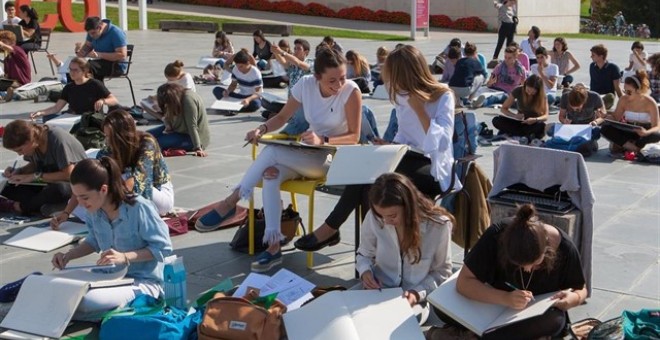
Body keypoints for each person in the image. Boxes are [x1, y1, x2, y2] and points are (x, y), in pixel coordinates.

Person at [196, 47, 362, 272]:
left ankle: (232, 201)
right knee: (270, 175)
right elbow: (283, 116)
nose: (339, 84)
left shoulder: (351, 91)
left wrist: (323, 139)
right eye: (332, 80)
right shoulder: (305, 85)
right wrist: (261, 128)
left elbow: (354, 136)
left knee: (272, 153)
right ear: (317, 77)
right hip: (306, 155)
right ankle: (273, 247)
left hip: (332, 158)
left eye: (342, 77)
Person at [295, 45, 457, 253]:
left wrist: (420, 110)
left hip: (432, 165)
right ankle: (369, 249)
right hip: (406, 157)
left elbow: (440, 144)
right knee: (367, 181)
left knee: (371, 175)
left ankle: (335, 230)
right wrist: (389, 145)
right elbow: (405, 135)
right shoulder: (402, 94)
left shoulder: (443, 96)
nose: (391, 83)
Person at [51, 157, 172, 321]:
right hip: (108, 276)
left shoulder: (139, 207)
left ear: (103, 189)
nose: (80, 203)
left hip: (143, 281)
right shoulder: (94, 210)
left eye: (84, 197)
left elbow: (163, 248)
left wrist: (124, 257)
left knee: (86, 300)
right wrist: (68, 256)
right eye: (77, 197)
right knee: (56, 285)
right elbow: (93, 241)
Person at [455, 204, 587, 339]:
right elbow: (464, 282)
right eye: (519, 265)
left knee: (554, 320)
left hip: (532, 315)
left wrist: (573, 299)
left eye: (535, 264)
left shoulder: (565, 248)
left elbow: (581, 290)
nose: (527, 270)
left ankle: (473, 336)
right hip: (492, 305)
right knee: (444, 309)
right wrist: (504, 298)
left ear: (546, 248)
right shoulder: (496, 235)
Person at [356, 173, 453, 325]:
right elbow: (364, 254)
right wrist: (365, 272)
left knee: (395, 326)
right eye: (382, 216)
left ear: (408, 206)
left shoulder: (438, 225)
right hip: (378, 290)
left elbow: (442, 271)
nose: (387, 221)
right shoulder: (375, 216)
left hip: (414, 299)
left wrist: (416, 293)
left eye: (392, 216)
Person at [52, 110, 175, 227]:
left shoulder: (147, 143)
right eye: (106, 136)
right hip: (121, 188)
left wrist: (101, 199)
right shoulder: (108, 149)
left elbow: (139, 181)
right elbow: (92, 179)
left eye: (110, 136)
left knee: (117, 185)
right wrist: (66, 213)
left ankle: (115, 216)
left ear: (123, 135)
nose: (107, 141)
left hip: (154, 191)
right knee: (85, 197)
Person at [0, 121, 87, 216]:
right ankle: (43, 205)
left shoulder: (57, 138)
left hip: (75, 185)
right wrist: (18, 172)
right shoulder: (35, 143)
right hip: (47, 182)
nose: (20, 154)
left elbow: (68, 174)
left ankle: (19, 207)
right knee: (8, 186)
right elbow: (35, 164)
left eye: (20, 150)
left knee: (59, 189)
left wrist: (36, 176)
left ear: (30, 140)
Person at [30, 57, 118, 123]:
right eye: (70, 69)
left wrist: (103, 101)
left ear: (84, 71)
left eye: (75, 70)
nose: (72, 72)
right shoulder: (69, 87)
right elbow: (57, 108)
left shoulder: (95, 84)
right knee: (47, 118)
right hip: (72, 116)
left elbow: (114, 100)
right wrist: (40, 113)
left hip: (89, 118)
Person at [601, 71, 660, 155]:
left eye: (629, 92)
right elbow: (615, 118)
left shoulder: (650, 102)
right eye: (624, 91)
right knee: (605, 128)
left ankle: (624, 145)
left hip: (644, 131)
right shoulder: (623, 99)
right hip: (628, 128)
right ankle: (635, 148)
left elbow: (656, 126)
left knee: (656, 135)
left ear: (638, 90)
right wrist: (605, 116)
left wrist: (646, 132)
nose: (626, 94)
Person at [147, 83, 210, 157]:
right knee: (145, 136)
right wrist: (168, 124)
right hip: (177, 129)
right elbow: (168, 116)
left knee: (155, 143)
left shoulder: (188, 100)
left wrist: (198, 148)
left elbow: (192, 126)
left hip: (192, 138)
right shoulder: (176, 98)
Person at [545, 85, 605, 157]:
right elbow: (561, 116)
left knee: (597, 131)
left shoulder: (595, 97)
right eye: (572, 108)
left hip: (587, 129)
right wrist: (564, 121)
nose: (574, 110)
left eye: (577, 108)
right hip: (570, 128)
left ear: (584, 101)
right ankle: (577, 147)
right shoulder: (565, 97)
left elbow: (603, 117)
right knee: (549, 128)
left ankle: (561, 146)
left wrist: (595, 122)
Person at [492, 74, 548, 141]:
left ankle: (513, 133)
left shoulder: (542, 96)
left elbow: (546, 116)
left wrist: (535, 119)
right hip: (520, 122)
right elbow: (503, 108)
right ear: (525, 85)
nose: (529, 93)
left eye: (533, 92)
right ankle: (524, 135)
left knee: (541, 126)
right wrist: (514, 115)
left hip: (533, 124)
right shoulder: (518, 90)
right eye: (528, 90)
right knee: (497, 120)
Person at [76, 16, 128, 81]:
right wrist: (81, 52)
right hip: (99, 62)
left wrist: (99, 54)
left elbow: (122, 55)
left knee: (88, 67)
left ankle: (93, 89)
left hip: (116, 65)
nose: (91, 36)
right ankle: (73, 89)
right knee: (74, 65)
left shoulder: (116, 33)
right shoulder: (92, 31)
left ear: (99, 28)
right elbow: (88, 45)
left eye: (93, 33)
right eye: (89, 34)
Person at [589, 44, 623, 110]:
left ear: (601, 56)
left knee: (610, 97)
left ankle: (595, 108)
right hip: (594, 96)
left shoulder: (613, 68)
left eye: (593, 55)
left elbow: (617, 87)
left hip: (606, 96)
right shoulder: (592, 66)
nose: (591, 57)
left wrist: (623, 102)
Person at [491, 0, 517, 64]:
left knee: (509, 44)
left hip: (511, 27)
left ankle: (509, 58)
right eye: (513, 2)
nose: (513, 4)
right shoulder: (501, 6)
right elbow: (495, 4)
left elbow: (513, 17)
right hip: (503, 26)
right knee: (500, 43)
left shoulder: (512, 8)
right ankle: (495, 57)